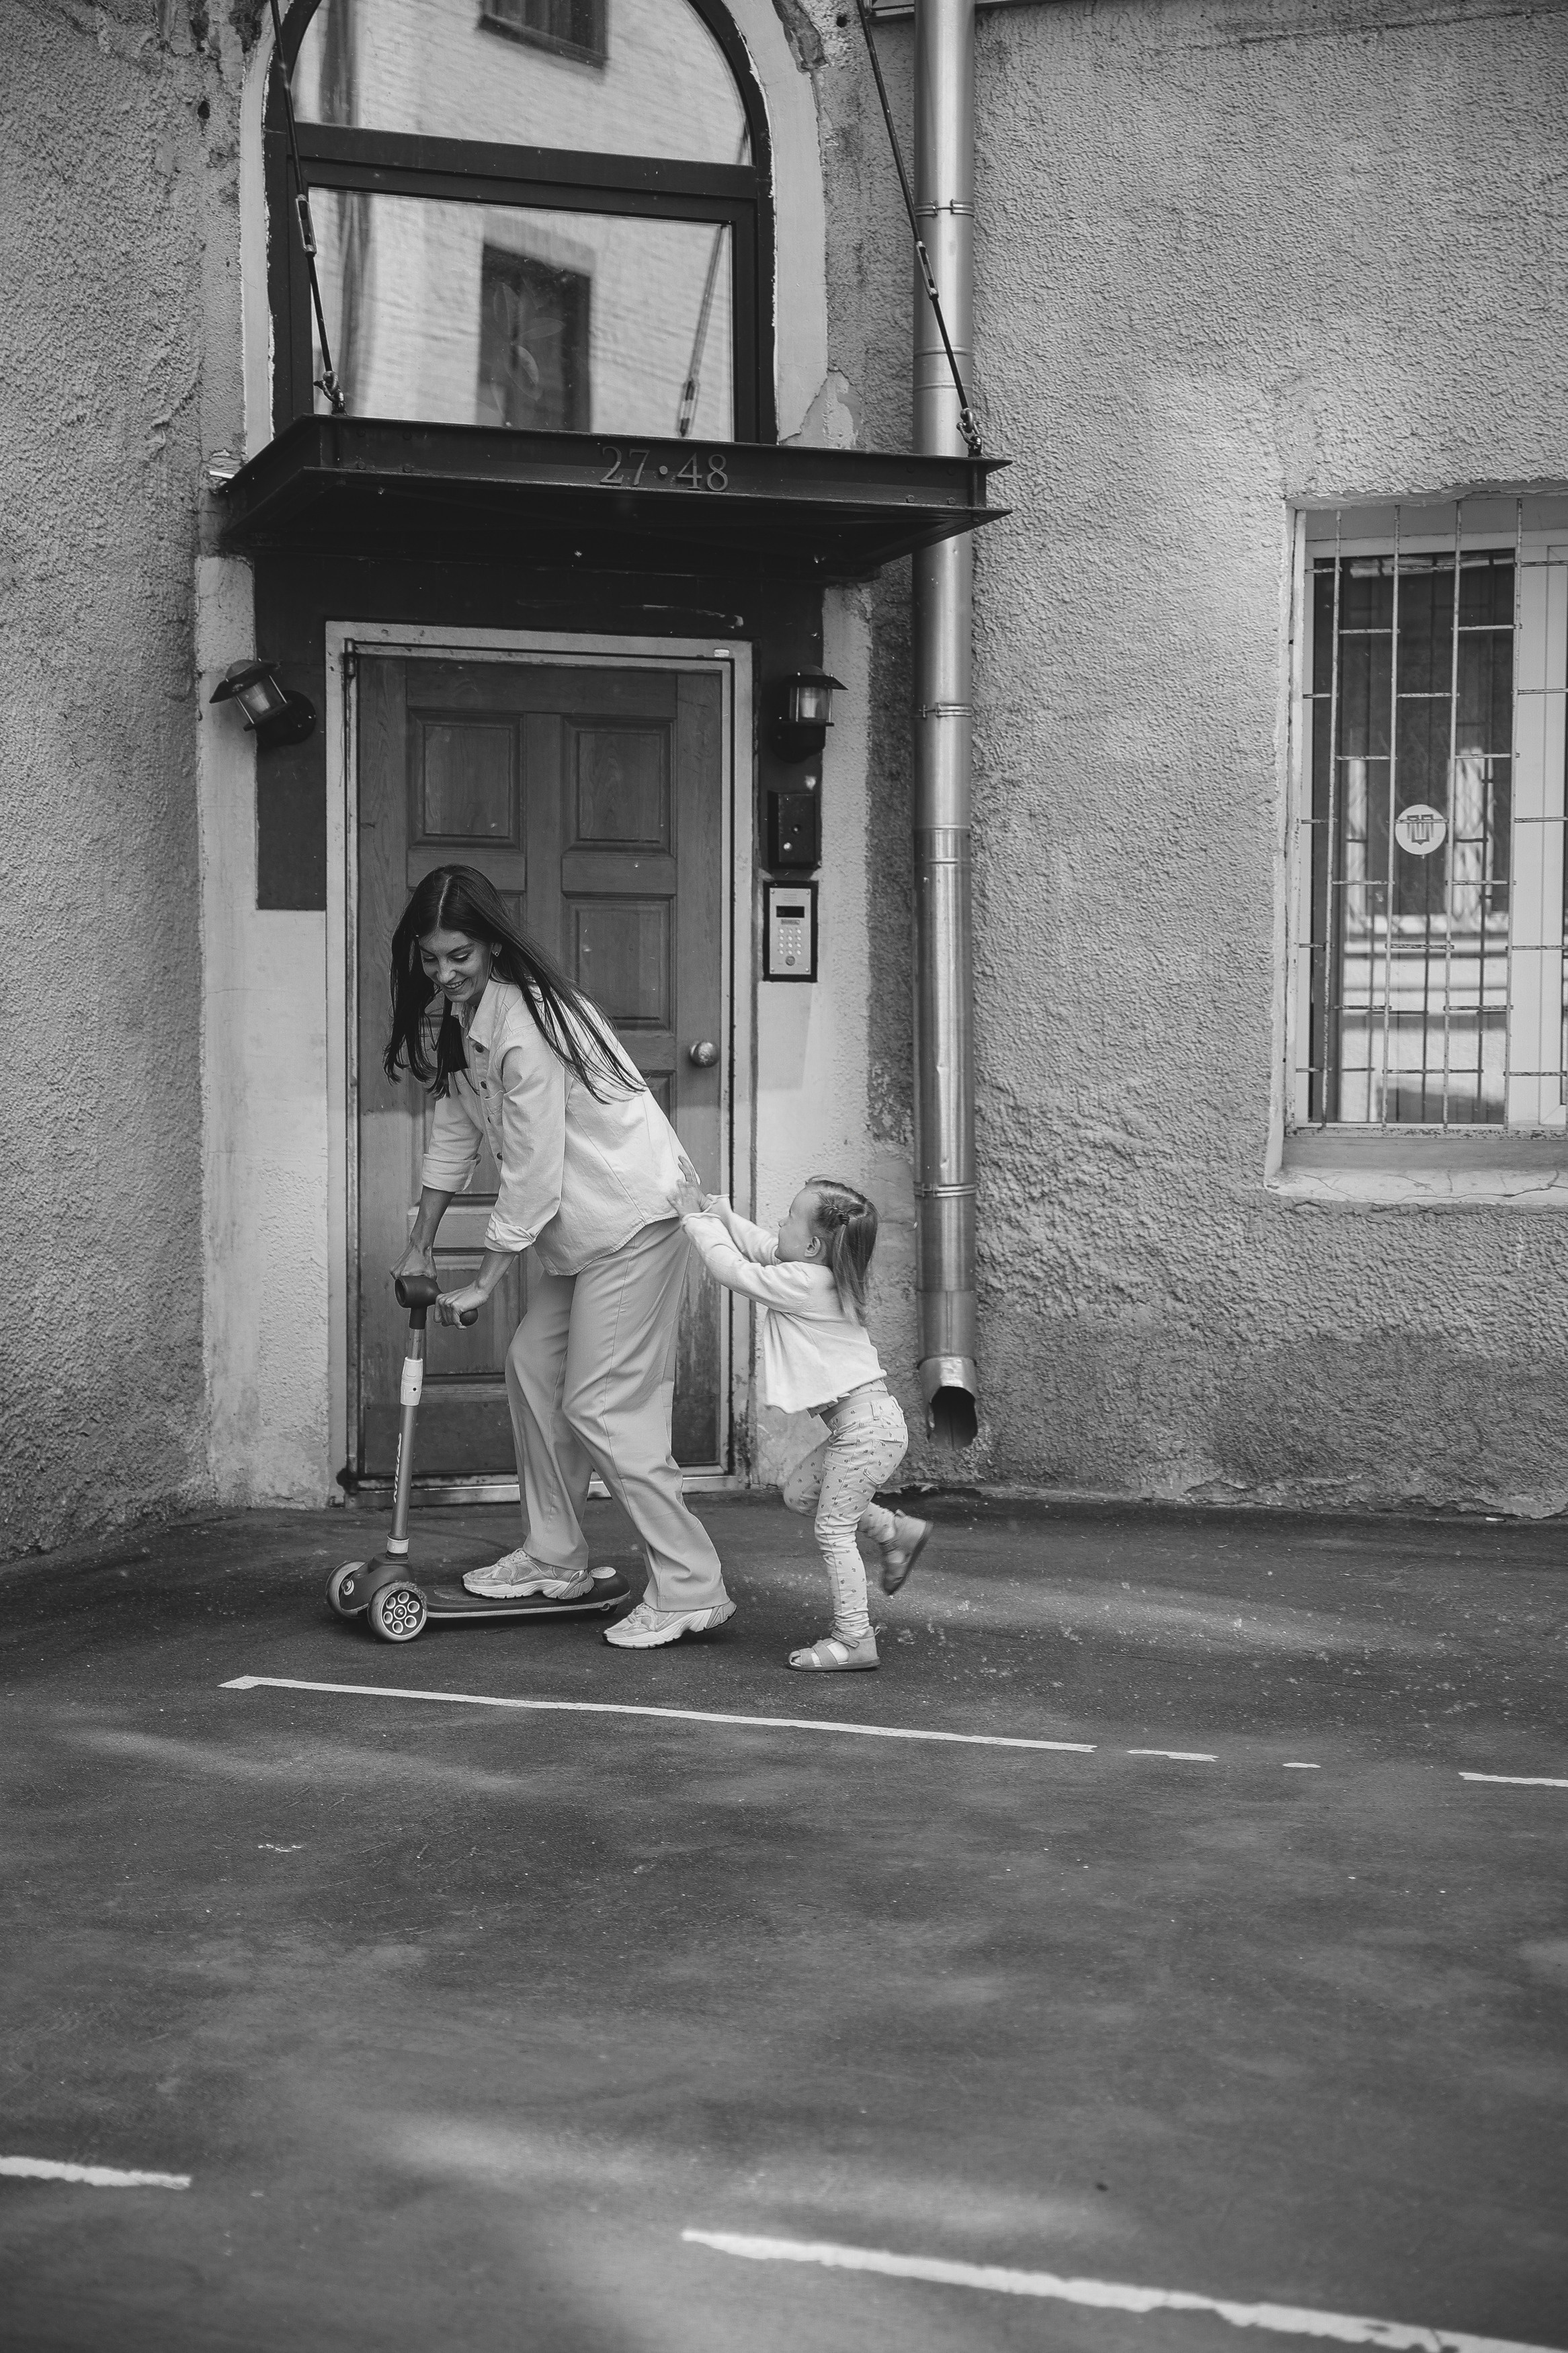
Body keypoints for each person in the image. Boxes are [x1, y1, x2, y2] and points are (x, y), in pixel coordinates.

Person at [385, 865, 735, 1652]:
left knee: (605, 1404)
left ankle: (691, 1587)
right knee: (533, 1368)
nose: (444, 973)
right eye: (431, 958)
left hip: (632, 1220)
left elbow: (533, 1168)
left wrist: (484, 1278)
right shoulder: (465, 1019)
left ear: (492, 945)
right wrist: (418, 1241)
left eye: (460, 956)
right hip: (584, 1235)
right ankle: (554, 1555)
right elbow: (454, 1134)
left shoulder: (528, 1022)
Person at [681, 1179, 932, 1671]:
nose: (779, 1225)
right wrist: (723, 1214)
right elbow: (763, 1246)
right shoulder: (816, 1271)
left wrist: (697, 1220)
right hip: (864, 1427)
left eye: (789, 1218)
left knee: (832, 1531)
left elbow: (732, 1269)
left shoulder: (803, 1282)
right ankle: (894, 1532)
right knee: (802, 1495)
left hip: (866, 1431)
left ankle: (854, 1639)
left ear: (813, 1245)